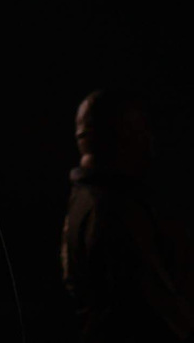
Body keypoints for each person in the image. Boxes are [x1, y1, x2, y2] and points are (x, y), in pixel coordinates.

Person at [60, 89, 194, 343]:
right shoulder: (112, 209)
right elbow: (159, 305)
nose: (149, 140)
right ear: (119, 136)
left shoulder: (83, 201)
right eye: (139, 129)